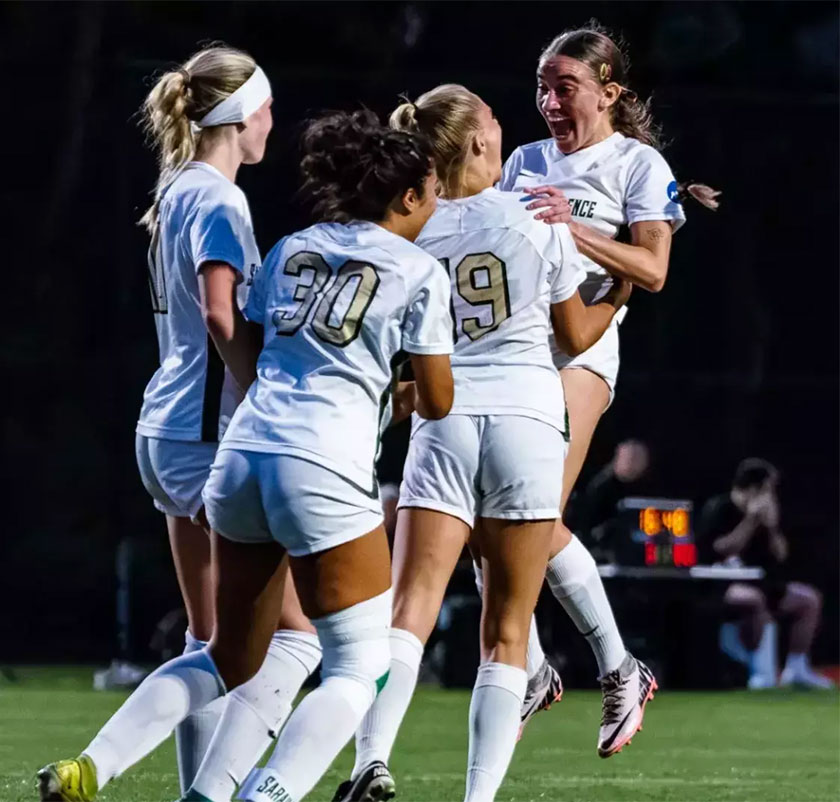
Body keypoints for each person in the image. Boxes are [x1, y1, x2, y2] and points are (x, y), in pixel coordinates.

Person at [36, 46, 322, 802]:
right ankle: (120, 771)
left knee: (211, 638)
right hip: (209, 437)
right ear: (235, 116)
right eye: (263, 107)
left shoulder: (177, 187)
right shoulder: (222, 200)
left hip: (164, 431)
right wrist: (267, 391)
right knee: (292, 638)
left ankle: (179, 789)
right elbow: (223, 313)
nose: (271, 121)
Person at [336, 84, 630, 802]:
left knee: (408, 614)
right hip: (527, 421)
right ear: (474, 142)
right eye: (493, 118)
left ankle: (369, 762)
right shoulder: (533, 214)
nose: (504, 125)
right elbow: (575, 336)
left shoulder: (412, 227)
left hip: (445, 420)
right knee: (506, 636)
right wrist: (620, 287)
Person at [197, 109, 454, 802]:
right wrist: (384, 392)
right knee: (360, 665)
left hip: (244, 452)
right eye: (432, 192)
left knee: (230, 656)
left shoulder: (292, 246)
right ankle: (267, 794)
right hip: (324, 465)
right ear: (406, 197)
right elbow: (436, 399)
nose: (437, 205)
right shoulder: (418, 268)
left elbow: (254, 341)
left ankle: (186, 790)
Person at [496, 23, 716, 756]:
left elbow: (651, 270)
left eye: (565, 86)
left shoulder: (636, 163)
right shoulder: (522, 160)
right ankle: (532, 669)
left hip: (583, 351)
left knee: (530, 515)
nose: (549, 101)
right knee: (483, 520)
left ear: (609, 91)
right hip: (510, 351)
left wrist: (575, 227)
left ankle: (619, 668)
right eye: (541, 85)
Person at [697, 458, 834, 690]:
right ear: (753, 488)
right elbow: (722, 548)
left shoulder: (769, 511)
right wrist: (750, 520)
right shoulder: (719, 508)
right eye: (768, 487)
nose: (771, 493)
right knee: (753, 600)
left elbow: (781, 555)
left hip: (761, 581)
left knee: (808, 599)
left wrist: (771, 527)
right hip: (720, 583)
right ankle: (761, 672)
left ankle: (797, 668)